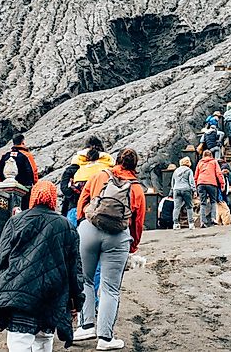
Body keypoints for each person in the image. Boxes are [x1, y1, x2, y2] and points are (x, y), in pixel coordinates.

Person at [0, 181, 85, 352]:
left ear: (33, 197)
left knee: (19, 343)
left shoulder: (15, 221)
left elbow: (1, 260)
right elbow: (74, 268)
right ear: (54, 199)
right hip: (51, 295)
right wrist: (76, 301)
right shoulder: (66, 226)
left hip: (19, 294)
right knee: (44, 341)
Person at [75, 148, 145, 350]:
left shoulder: (100, 176)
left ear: (116, 160)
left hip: (90, 229)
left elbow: (83, 200)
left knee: (86, 279)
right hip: (117, 236)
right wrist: (133, 244)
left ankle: (86, 325)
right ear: (135, 166)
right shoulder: (137, 189)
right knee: (110, 288)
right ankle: (105, 338)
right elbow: (137, 222)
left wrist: (83, 221)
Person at [65, 136, 115, 225]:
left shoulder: (76, 165)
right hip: (103, 208)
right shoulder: (108, 165)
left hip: (76, 207)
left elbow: (64, 186)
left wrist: (76, 198)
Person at [0, 134, 39, 209]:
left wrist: (4, 181)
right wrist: (34, 184)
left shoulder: (6, 155)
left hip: (7, 187)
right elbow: (33, 172)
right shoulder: (27, 155)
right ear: (23, 142)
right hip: (25, 189)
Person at [194, 150, 224, 228]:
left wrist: (195, 186)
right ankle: (213, 218)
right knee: (213, 201)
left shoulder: (200, 162)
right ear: (211, 155)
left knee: (203, 203)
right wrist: (222, 183)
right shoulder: (214, 162)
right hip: (211, 183)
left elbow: (196, 175)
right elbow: (219, 173)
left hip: (201, 183)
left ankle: (202, 222)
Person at [171, 157, 195, 229]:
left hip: (176, 189)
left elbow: (173, 182)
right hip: (186, 189)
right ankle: (191, 224)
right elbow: (191, 181)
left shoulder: (176, 171)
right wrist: (194, 190)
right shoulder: (189, 170)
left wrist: (173, 190)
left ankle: (175, 224)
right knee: (189, 207)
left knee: (176, 207)